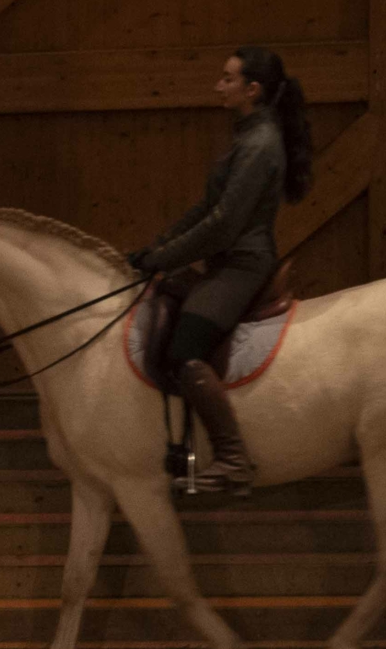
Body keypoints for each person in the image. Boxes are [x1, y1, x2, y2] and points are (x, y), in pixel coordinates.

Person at [127, 46, 314, 496]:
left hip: (242, 265)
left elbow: (223, 224)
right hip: (227, 261)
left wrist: (163, 259)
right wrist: (156, 248)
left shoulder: (260, 143)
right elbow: (205, 209)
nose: (218, 85)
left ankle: (232, 458)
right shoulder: (248, 136)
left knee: (186, 349)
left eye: (228, 79)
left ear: (252, 90)